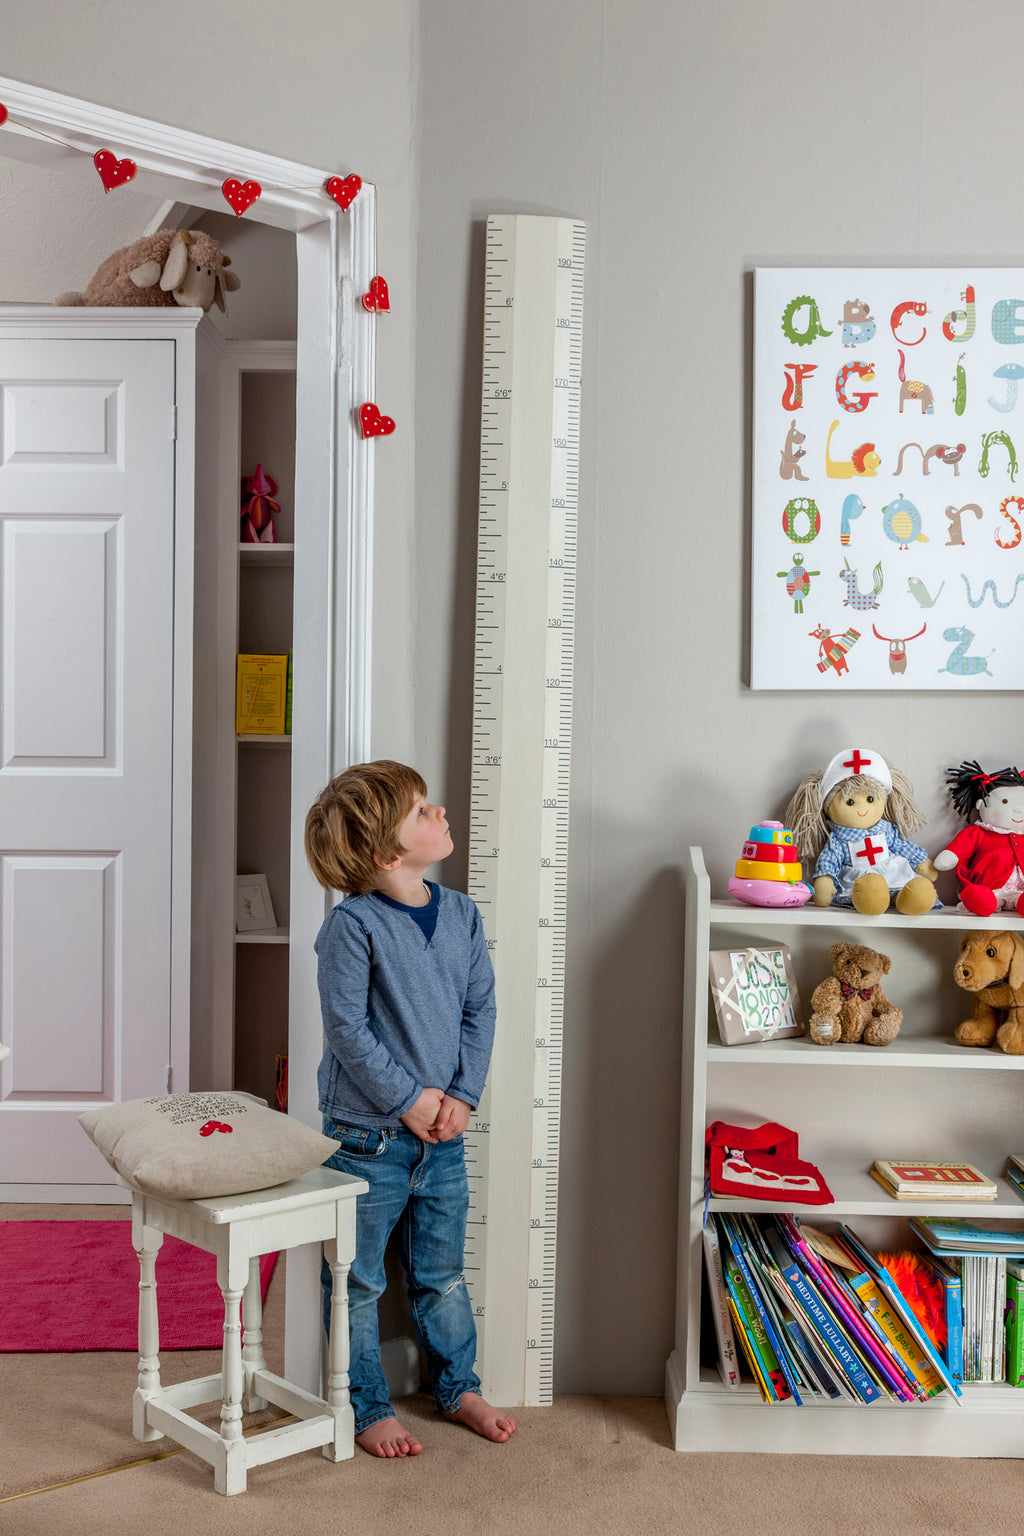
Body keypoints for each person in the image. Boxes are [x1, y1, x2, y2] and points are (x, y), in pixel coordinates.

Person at [304, 759, 516, 1458]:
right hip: (366, 1138)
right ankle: (366, 1408)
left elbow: (480, 1010)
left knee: (442, 1276)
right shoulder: (352, 928)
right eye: (422, 809)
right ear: (386, 852)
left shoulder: (460, 914)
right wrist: (409, 1099)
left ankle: (458, 1388)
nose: (440, 814)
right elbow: (347, 1031)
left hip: (445, 1137)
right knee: (358, 1281)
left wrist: (459, 1096)